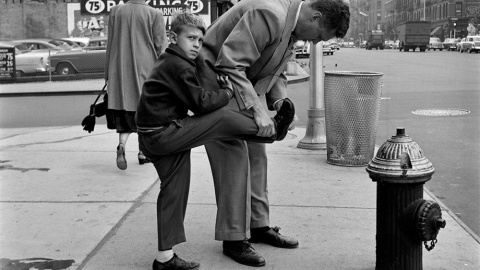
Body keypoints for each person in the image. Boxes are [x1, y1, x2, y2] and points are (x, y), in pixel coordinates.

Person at [135, 12, 296, 270]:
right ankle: (272, 129)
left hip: (153, 134)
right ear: (173, 38)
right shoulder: (178, 65)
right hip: (162, 134)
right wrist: (228, 91)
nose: (197, 45)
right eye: (190, 39)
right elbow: (201, 104)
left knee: (174, 192)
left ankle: (164, 258)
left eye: (200, 39)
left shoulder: (172, 61)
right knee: (220, 118)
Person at [197, 0, 350, 267]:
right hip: (214, 85)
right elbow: (230, 63)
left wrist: (279, 103)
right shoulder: (269, 13)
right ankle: (233, 238)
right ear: (314, 17)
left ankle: (258, 225)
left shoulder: (291, 25)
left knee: (257, 153)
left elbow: (274, 67)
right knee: (233, 155)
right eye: (319, 37)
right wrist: (256, 109)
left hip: (237, 85)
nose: (316, 44)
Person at [105, 0, 167, 170]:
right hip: (146, 70)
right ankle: (143, 152)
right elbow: (161, 46)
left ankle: (122, 146)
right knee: (144, 113)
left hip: (119, 69)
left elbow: (109, 44)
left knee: (124, 113)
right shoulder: (154, 14)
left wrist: (108, 74)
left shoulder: (116, 11)